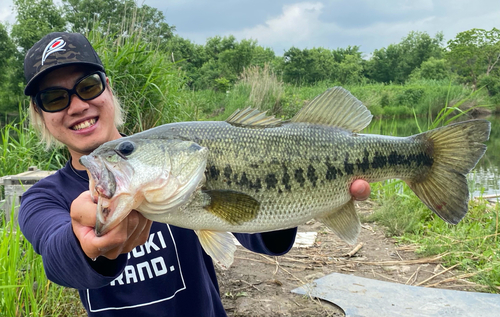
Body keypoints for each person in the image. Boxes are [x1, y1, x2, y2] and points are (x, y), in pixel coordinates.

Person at [18, 32, 371, 317]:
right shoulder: (41, 198)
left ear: (108, 88)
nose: (78, 105)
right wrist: (86, 244)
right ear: (39, 114)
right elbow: (59, 258)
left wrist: (296, 193)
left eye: (88, 86)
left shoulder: (175, 154)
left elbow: (261, 238)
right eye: (54, 98)